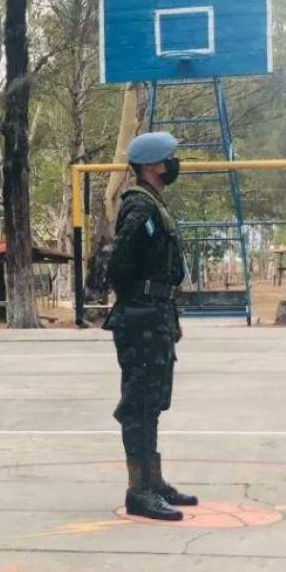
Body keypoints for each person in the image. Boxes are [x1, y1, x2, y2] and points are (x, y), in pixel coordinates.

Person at [105, 131, 196, 521]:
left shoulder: (153, 203)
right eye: (168, 158)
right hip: (141, 316)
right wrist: (142, 301)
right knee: (139, 404)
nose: (173, 164)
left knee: (153, 402)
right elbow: (118, 266)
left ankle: (153, 481)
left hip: (154, 314)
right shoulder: (140, 208)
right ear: (151, 166)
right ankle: (138, 491)